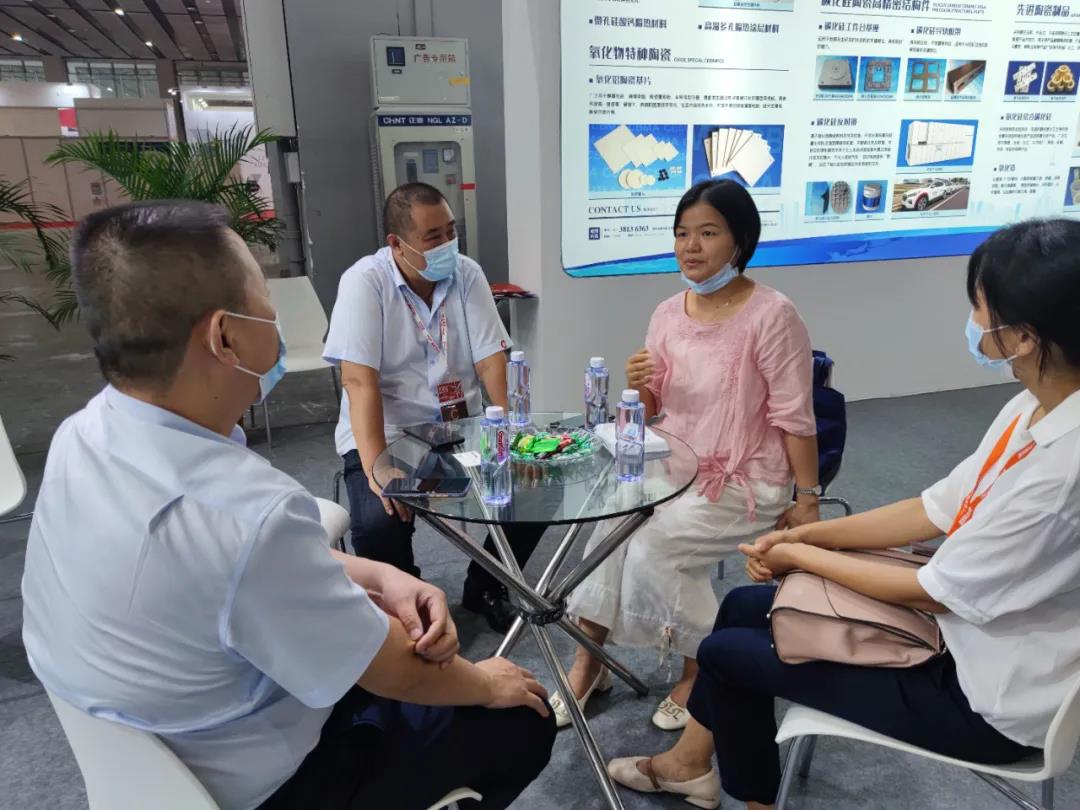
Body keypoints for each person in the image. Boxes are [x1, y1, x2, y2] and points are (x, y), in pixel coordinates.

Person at [21, 201, 555, 810]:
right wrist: (485, 680)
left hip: (155, 758)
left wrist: (377, 575)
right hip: (270, 778)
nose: (277, 328)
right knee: (522, 716)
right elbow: (393, 669)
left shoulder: (82, 436)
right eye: (267, 308)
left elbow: (232, 571)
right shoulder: (247, 516)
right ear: (225, 337)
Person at [607, 218, 1080, 809]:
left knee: (725, 656)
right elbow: (934, 507)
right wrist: (814, 536)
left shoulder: (1062, 474)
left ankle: (736, 792)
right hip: (964, 631)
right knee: (741, 606)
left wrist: (802, 553)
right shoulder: (1032, 406)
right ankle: (688, 765)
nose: (973, 322)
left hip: (981, 694)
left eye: (980, 308)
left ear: (1025, 337)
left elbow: (934, 591)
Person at [555, 179, 821, 730]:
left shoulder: (773, 315)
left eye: (707, 233)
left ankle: (703, 668)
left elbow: (794, 415)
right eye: (681, 233)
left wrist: (808, 499)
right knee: (607, 527)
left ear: (740, 240)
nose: (690, 247)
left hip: (743, 479)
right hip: (671, 464)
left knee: (653, 549)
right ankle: (589, 662)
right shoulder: (667, 313)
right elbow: (654, 407)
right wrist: (638, 384)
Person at [324, 182, 545, 632]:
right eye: (433, 237)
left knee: (537, 489)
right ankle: (409, 604)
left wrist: (516, 435)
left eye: (451, 231)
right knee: (381, 520)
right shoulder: (365, 282)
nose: (448, 245)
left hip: (460, 428)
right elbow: (359, 381)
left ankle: (487, 585)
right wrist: (378, 470)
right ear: (396, 244)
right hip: (389, 433)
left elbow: (491, 361)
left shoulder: (466, 273)